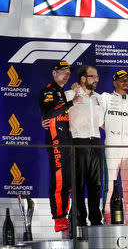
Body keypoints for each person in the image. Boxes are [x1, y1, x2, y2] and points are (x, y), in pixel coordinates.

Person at [38, 60, 81, 232]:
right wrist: (72, 103)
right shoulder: (49, 90)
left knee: (68, 180)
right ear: (54, 73)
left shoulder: (61, 92)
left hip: (66, 140)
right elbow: (48, 113)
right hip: (56, 140)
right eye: (63, 71)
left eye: (69, 72)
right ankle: (59, 218)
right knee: (59, 180)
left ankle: (66, 215)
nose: (67, 74)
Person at [101, 70, 128, 225]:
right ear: (115, 82)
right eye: (121, 80)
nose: (125, 82)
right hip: (112, 147)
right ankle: (107, 218)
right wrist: (111, 130)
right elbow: (97, 118)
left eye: (127, 80)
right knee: (110, 185)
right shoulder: (106, 97)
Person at [65, 65, 104, 226]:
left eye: (97, 77)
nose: (96, 79)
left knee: (96, 184)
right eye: (93, 76)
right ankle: (79, 219)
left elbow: (102, 122)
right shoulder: (70, 93)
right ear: (83, 78)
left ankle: (96, 220)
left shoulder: (99, 98)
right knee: (78, 184)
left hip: (96, 142)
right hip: (78, 142)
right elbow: (57, 112)